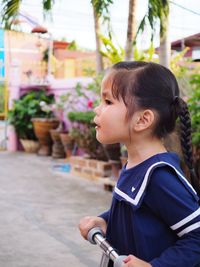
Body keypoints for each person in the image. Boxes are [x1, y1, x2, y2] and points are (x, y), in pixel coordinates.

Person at [78, 61, 200, 267]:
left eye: (107, 102)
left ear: (143, 120)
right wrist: (105, 221)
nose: (97, 109)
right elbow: (136, 213)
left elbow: (197, 236)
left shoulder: (159, 177)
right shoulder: (135, 165)